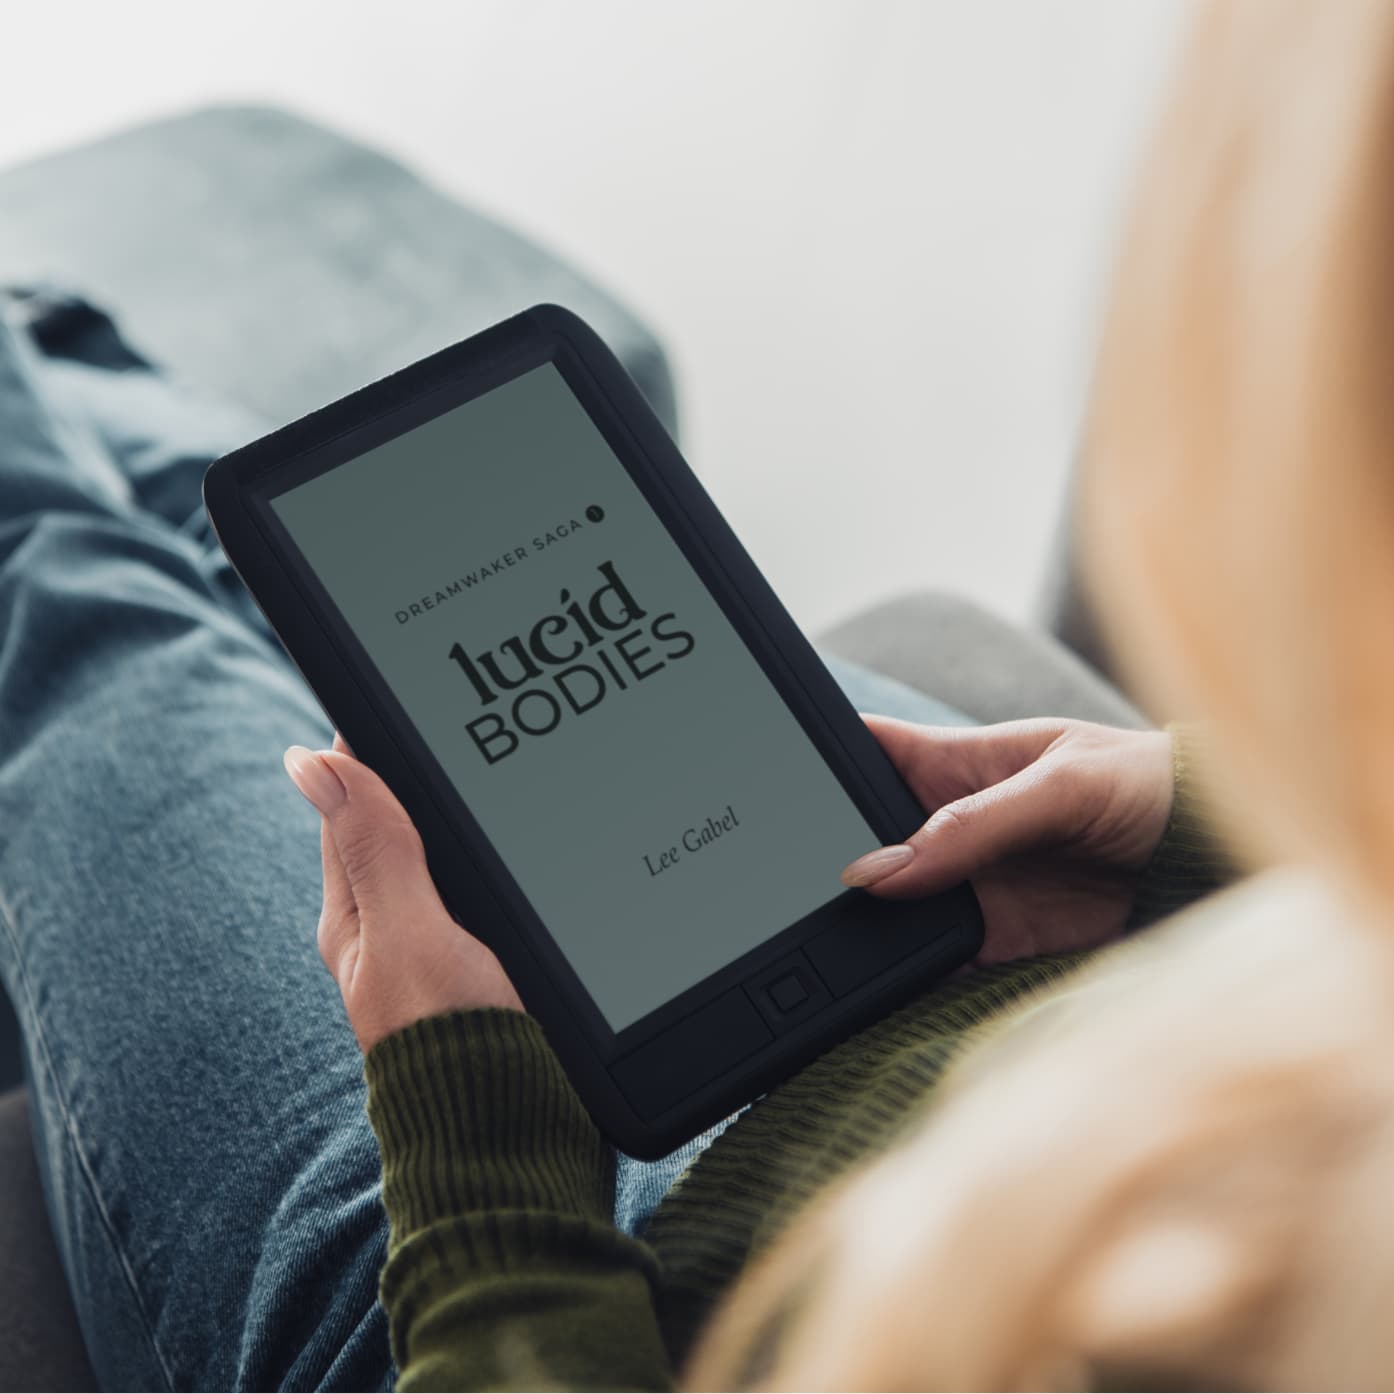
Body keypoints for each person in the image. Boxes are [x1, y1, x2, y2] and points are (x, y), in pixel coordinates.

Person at [2, 1, 1377, 1388]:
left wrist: (478, 1161)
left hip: (551, 1292)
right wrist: (1213, 809)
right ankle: (48, 337)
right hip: (996, 946)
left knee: (88, 619)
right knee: (336, 569)